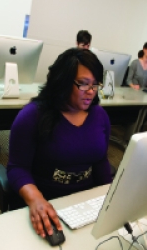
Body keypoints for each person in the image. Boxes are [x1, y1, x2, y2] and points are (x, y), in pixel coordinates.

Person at [7, 48, 112, 238]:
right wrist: (35, 199)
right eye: (83, 84)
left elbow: (100, 161)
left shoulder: (100, 116)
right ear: (63, 82)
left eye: (95, 84)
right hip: (46, 201)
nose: (91, 92)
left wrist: (112, 195)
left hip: (84, 203)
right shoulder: (32, 116)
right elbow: (16, 168)